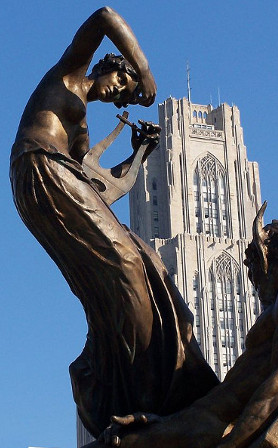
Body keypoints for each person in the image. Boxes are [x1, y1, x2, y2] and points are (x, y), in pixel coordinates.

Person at [10, 7, 218, 439]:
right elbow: (104, 16)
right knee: (126, 264)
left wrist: (141, 154)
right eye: (119, 81)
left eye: (124, 91)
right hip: (39, 166)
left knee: (142, 262)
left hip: (57, 177)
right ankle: (142, 388)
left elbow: (102, 192)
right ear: (107, 66)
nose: (117, 91)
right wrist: (145, 72)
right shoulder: (68, 75)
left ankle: (127, 382)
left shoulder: (81, 132)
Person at [94, 202, 278, 448]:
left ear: (266, 258)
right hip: (208, 419)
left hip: (221, 429)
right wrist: (170, 423)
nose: (258, 289)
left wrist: (230, 444)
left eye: (254, 276)